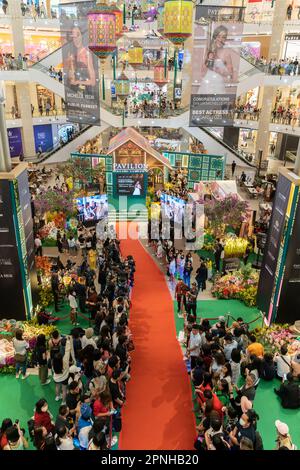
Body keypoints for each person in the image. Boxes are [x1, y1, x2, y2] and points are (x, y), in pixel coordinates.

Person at [196, 25, 237, 95]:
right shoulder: (209, 51)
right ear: (215, 37)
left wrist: (217, 69)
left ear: (225, 39)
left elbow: (231, 75)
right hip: (206, 85)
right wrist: (209, 58)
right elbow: (202, 72)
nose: (220, 40)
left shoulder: (226, 53)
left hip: (218, 86)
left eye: (223, 37)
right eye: (218, 36)